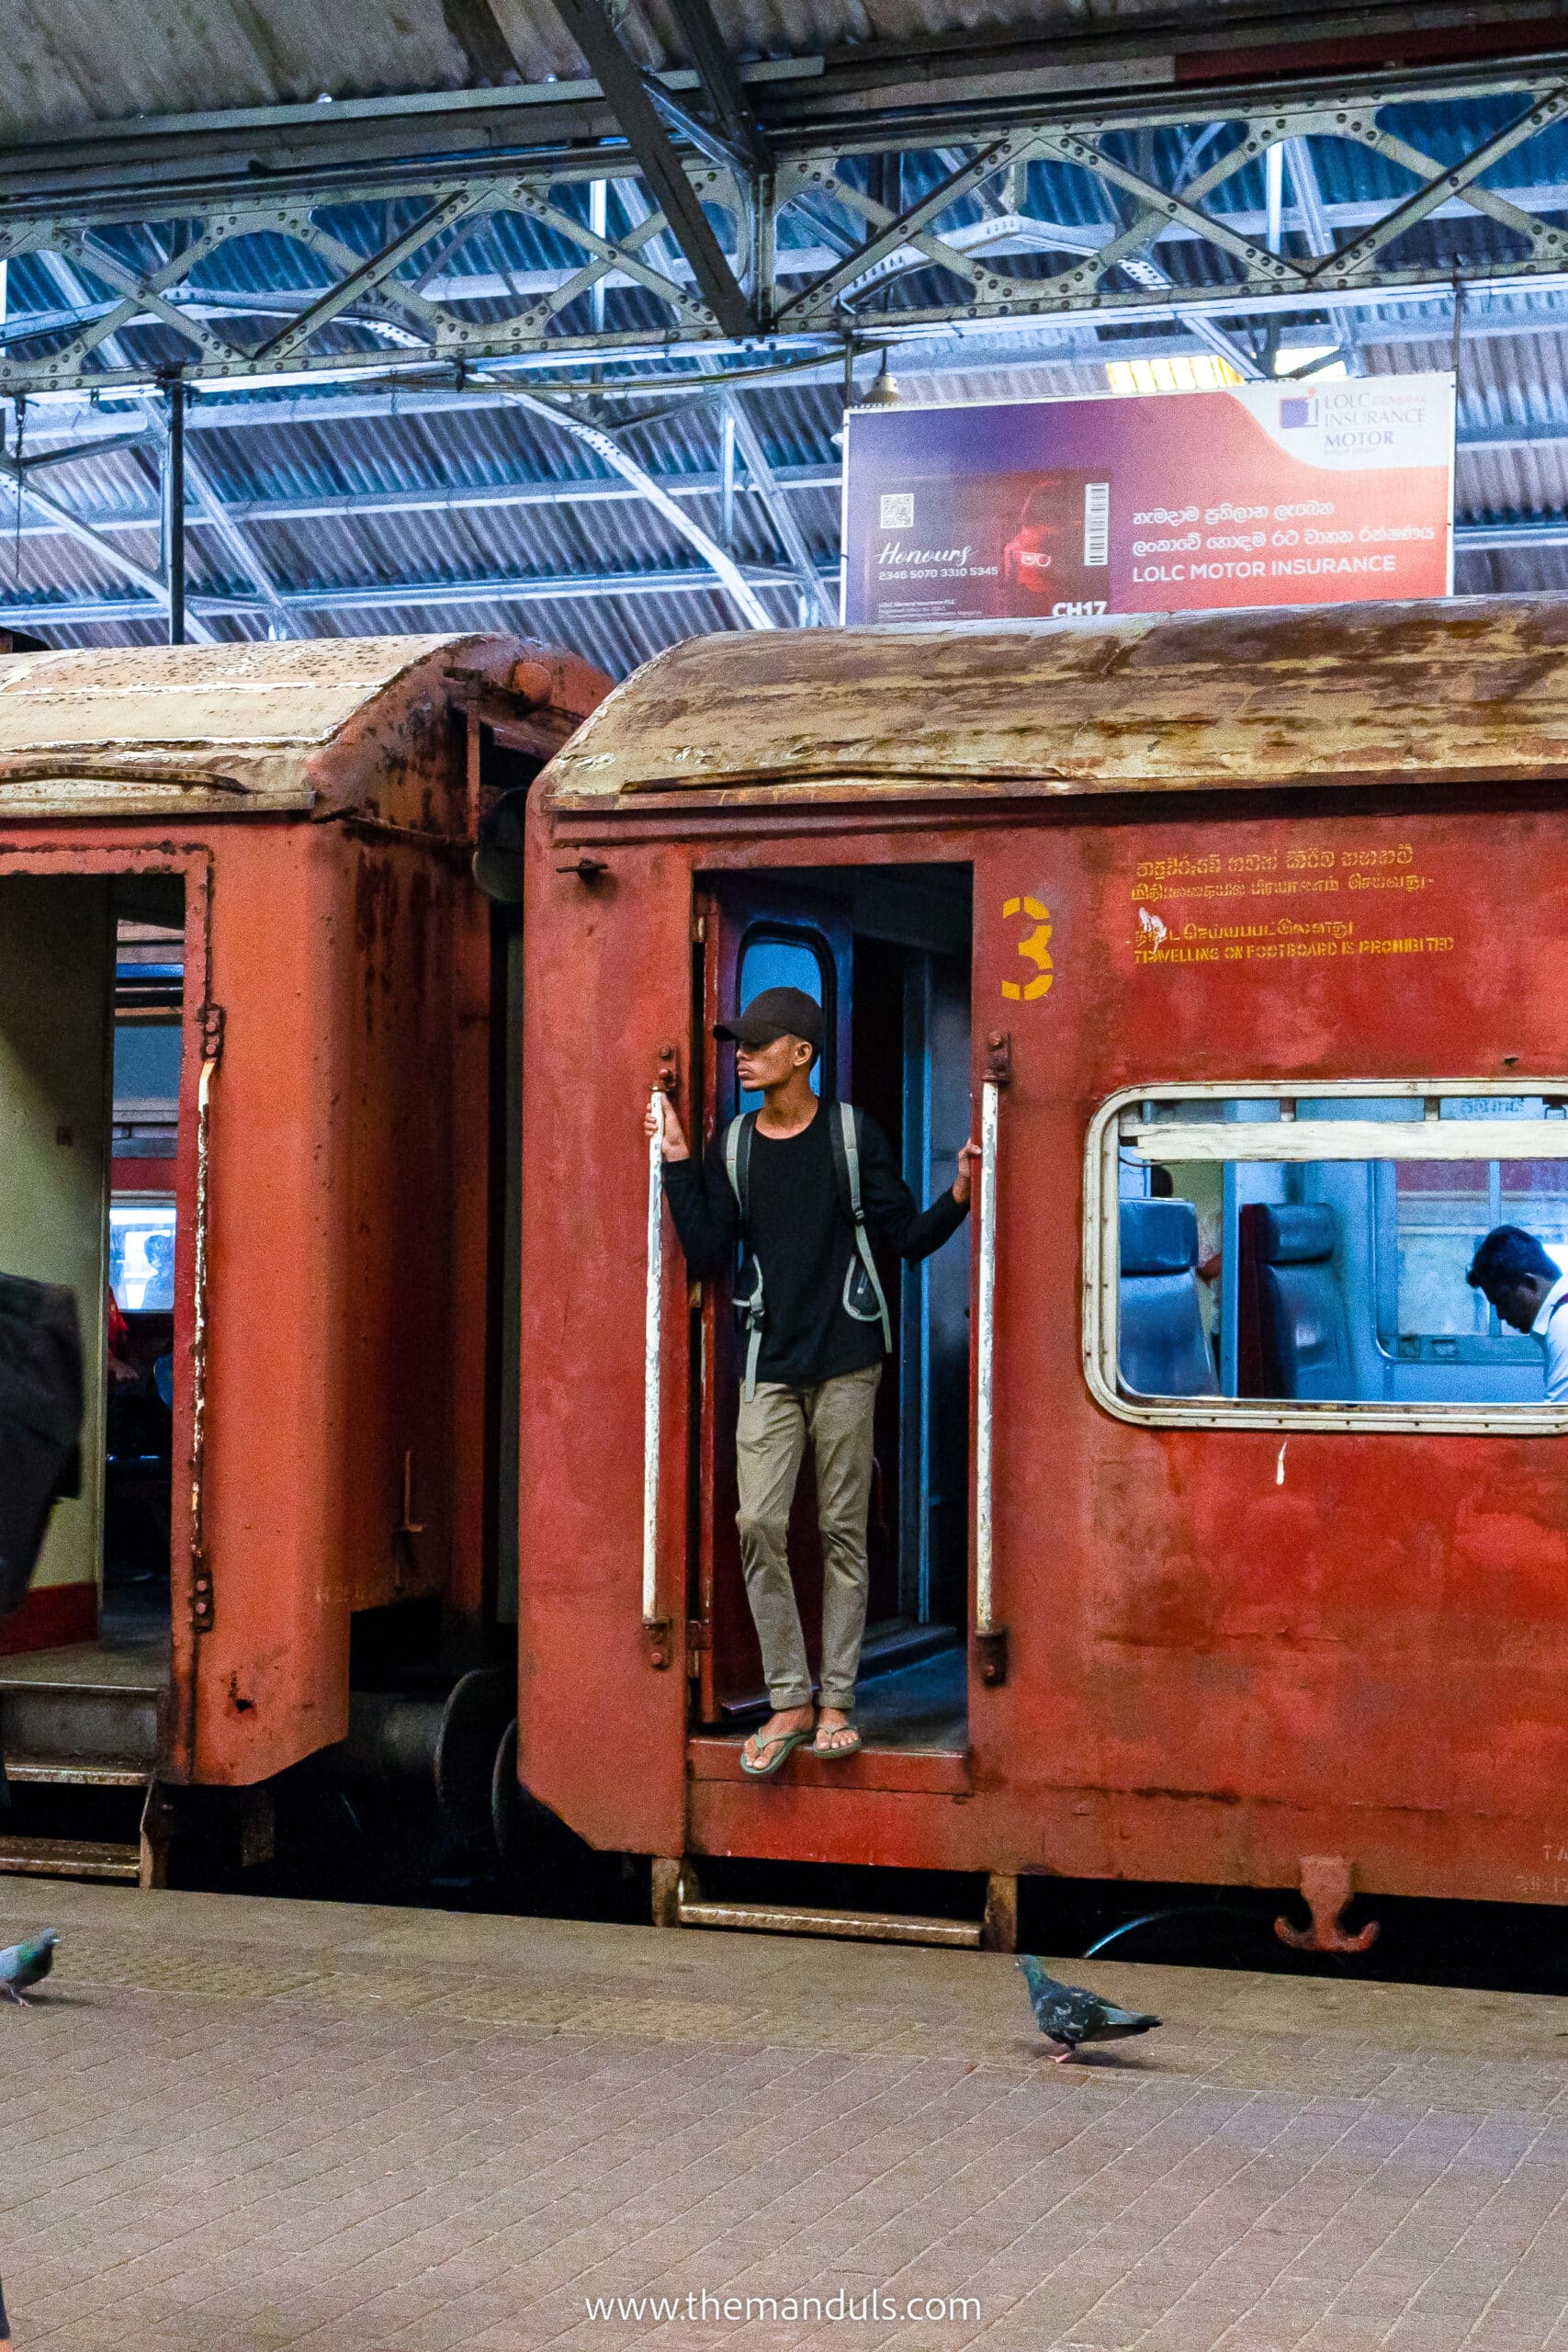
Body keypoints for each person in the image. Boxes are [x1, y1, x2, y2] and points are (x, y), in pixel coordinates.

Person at [648, 986, 978, 1775]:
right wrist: (676, 1162)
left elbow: (906, 1239)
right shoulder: (733, 1146)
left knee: (840, 1535)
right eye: (740, 1045)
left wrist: (960, 1194)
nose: (742, 1055)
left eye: (757, 1044)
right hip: (769, 1365)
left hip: (847, 1362)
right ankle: (788, 1696)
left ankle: (835, 1703)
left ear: (802, 1053)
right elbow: (708, 1254)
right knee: (757, 1524)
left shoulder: (850, 1136)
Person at [1466, 1225, 1568, 1399]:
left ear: (1529, 1284)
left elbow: (1557, 1424)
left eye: (1503, 1302)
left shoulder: (1564, 1322)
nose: (1500, 1315)